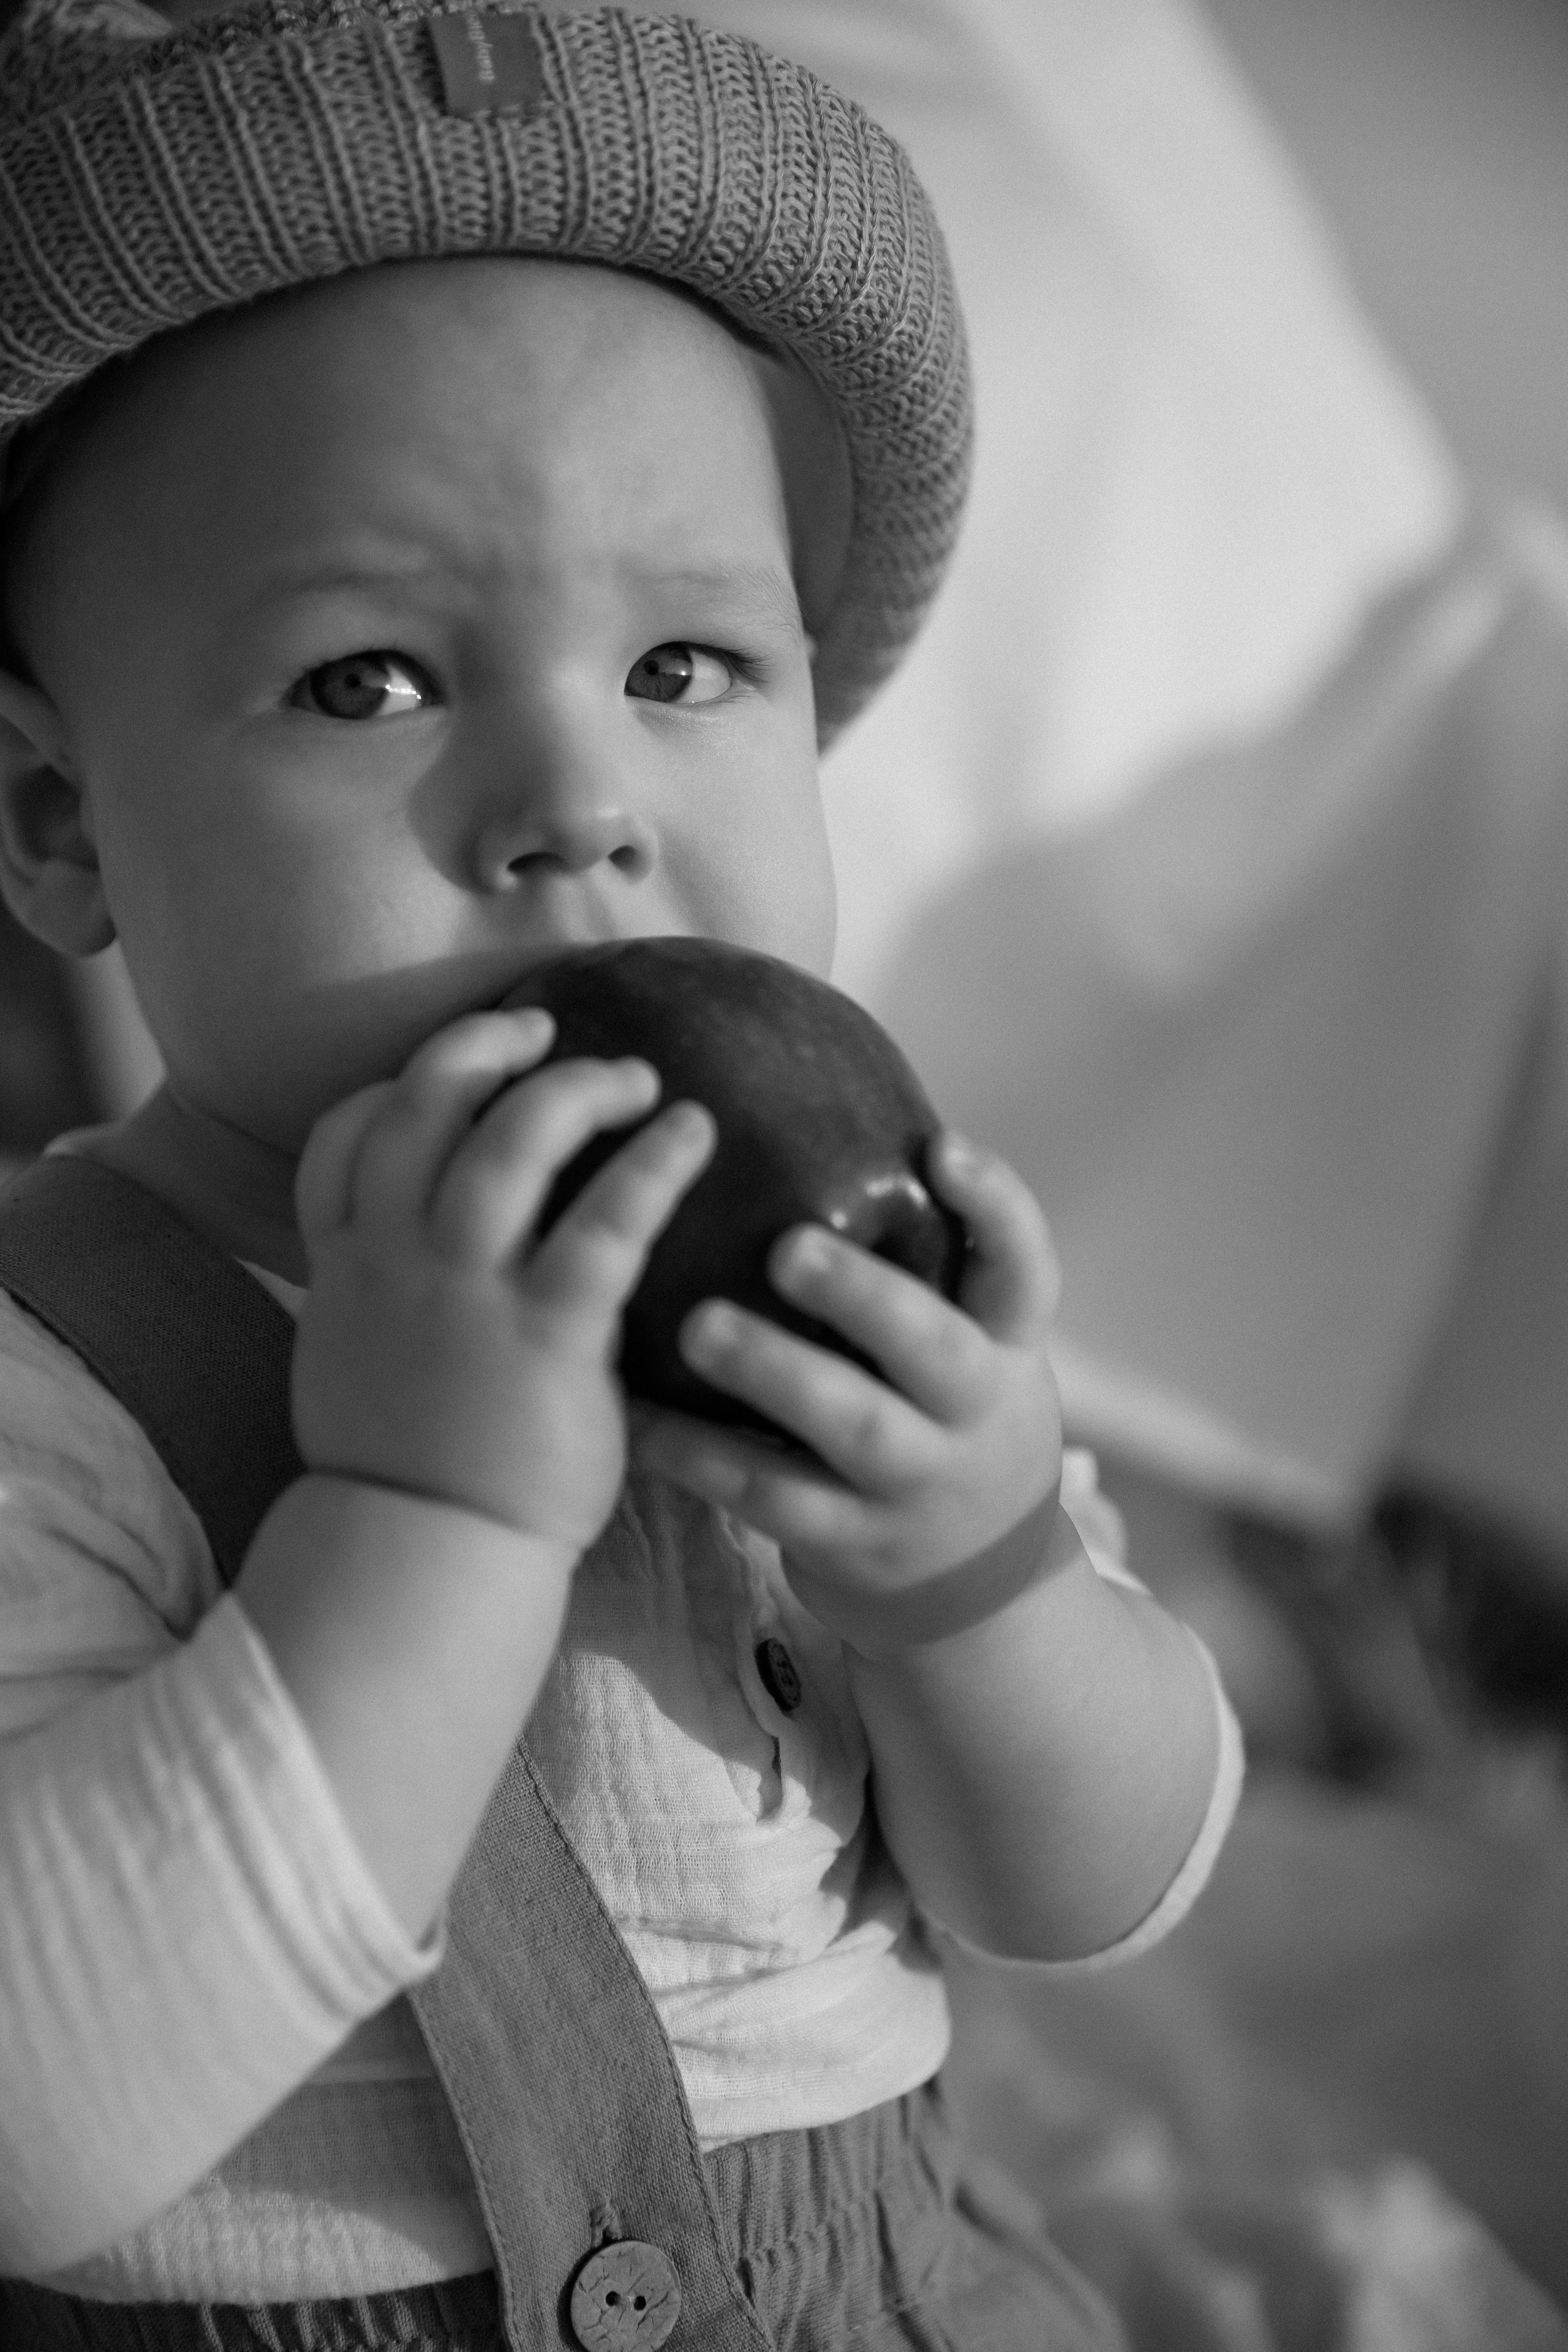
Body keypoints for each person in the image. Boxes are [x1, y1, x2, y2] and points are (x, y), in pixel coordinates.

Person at [0, 1, 1242, 2345]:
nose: (582, 804)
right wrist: (429, 1532)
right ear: (59, 823)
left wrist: (981, 1579)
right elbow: (41, 2104)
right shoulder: (43, 1383)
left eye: (684, 666)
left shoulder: (831, 1290)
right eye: (372, 680)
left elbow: (1089, 1893)